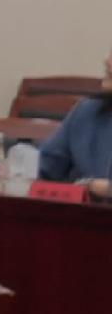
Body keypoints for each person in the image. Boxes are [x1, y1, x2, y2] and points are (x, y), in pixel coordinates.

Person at [33, 44, 112, 200]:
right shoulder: (87, 112)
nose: (107, 61)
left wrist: (104, 189)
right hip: (81, 219)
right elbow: (44, 169)